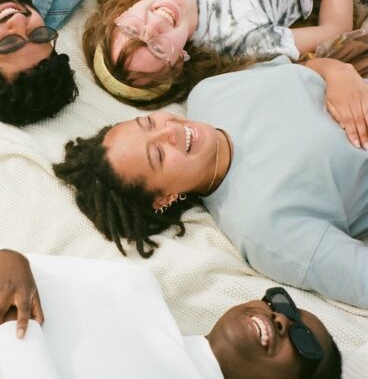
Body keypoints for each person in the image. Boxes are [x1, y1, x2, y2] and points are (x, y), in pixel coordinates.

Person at [53, 55, 368, 309]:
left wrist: (339, 72)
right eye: (158, 155)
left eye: (149, 122)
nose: (169, 131)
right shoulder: (266, 228)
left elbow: (303, 67)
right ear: (164, 197)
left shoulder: (208, 94)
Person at [0, 247, 342, 379]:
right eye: (283, 304)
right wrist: (9, 259)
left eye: (304, 342)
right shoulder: (138, 283)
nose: (280, 319)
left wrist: (16, 337)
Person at [84, 0, 352, 109]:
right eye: (157, 48)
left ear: (118, 16)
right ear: (178, 64)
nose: (153, 27)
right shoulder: (239, 43)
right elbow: (336, 30)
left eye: (132, 29)